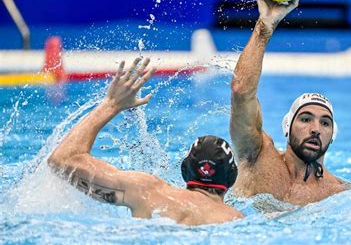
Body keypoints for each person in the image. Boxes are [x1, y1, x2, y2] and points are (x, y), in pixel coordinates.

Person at [47, 57, 243, 225]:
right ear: (231, 178)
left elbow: (62, 160)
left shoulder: (146, 192)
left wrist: (111, 105)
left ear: (185, 171)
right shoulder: (234, 219)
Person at [230, 0, 349, 206]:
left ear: (332, 135)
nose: (315, 129)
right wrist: (264, 28)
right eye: (305, 119)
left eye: (325, 123)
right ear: (287, 126)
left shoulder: (339, 193)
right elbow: (240, 91)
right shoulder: (257, 157)